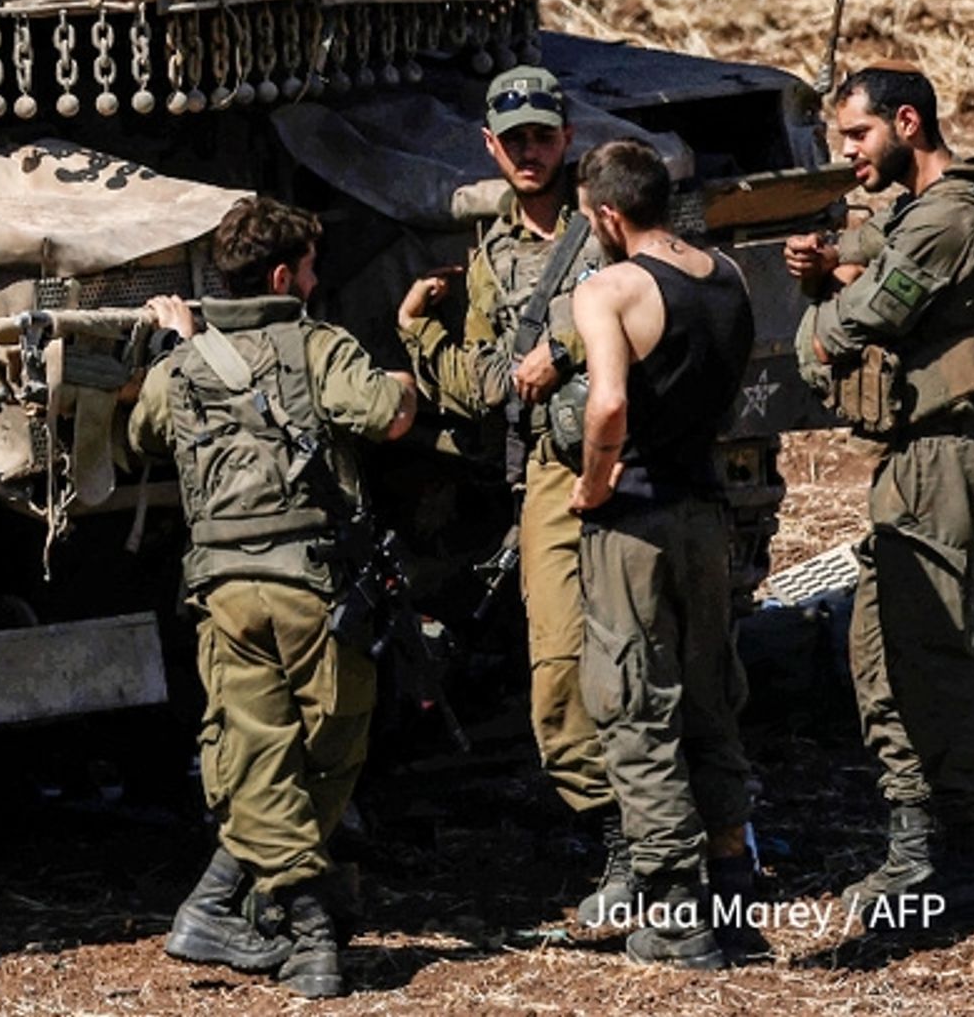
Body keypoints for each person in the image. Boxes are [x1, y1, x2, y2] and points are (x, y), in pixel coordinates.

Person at [130, 196, 416, 999]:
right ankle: (310, 926)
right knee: (327, 753)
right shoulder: (314, 342)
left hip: (224, 593)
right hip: (312, 589)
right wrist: (405, 379)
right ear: (286, 275)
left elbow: (143, 434)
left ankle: (222, 904)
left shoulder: (183, 365)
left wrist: (183, 348)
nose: (317, 281)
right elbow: (386, 415)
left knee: (255, 756)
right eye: (313, 268)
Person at [785, 63, 974, 929]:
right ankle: (922, 845)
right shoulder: (931, 211)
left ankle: (962, 859)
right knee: (883, 650)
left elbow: (862, 322)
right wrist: (830, 251)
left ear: (909, 124)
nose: (848, 155)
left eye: (858, 136)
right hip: (916, 459)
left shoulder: (953, 215)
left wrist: (813, 308)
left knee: (928, 657)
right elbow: (881, 243)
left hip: (937, 456)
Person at [395, 67, 629, 922]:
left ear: (567, 139)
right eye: (515, 139)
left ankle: (688, 844)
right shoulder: (490, 257)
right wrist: (419, 334)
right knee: (558, 673)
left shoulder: (610, 226)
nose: (531, 151)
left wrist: (564, 350)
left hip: (629, 459)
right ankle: (622, 844)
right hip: (550, 475)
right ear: (491, 147)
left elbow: (658, 300)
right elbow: (492, 382)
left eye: (544, 135)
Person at [567, 138, 758, 969]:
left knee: (636, 705)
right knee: (710, 693)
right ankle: (732, 882)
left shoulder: (608, 289)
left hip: (634, 521)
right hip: (705, 515)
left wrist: (592, 483)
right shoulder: (730, 277)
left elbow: (608, 402)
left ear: (609, 213)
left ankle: (675, 911)